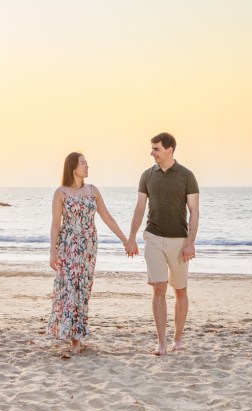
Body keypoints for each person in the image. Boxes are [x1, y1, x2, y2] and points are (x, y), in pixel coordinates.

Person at [47, 151, 130, 358]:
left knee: (83, 290)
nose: (87, 166)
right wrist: (52, 252)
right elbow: (56, 224)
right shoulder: (61, 193)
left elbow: (107, 217)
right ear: (73, 167)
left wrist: (125, 239)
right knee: (69, 290)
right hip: (68, 247)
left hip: (88, 248)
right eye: (83, 163)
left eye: (87, 163)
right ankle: (74, 339)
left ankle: (76, 335)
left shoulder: (92, 191)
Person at [125, 132, 200, 355]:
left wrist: (190, 243)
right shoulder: (147, 176)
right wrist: (131, 237)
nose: (152, 153)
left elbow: (194, 211)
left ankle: (177, 338)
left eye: (156, 149)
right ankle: (161, 342)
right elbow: (139, 208)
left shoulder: (187, 176)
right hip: (153, 237)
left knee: (179, 290)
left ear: (169, 150)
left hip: (179, 240)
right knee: (158, 287)